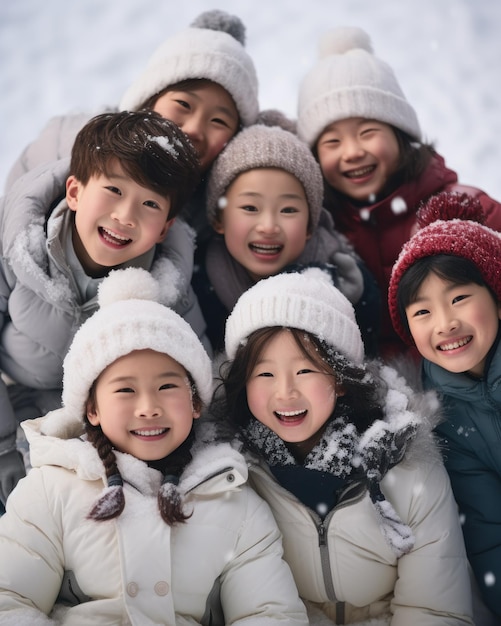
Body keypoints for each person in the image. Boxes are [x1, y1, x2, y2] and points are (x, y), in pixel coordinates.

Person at [0, 266, 308, 624]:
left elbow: (268, 613)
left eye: (167, 387)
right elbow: (10, 600)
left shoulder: (233, 500)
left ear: (195, 403)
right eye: (126, 390)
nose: (149, 408)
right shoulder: (52, 490)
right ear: (92, 408)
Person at [211, 266, 473, 624]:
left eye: (305, 371)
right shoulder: (235, 474)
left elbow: (434, 609)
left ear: (342, 380)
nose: (285, 392)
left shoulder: (407, 464)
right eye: (265, 374)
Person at [0, 109, 208, 512]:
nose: (125, 216)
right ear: (75, 192)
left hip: (106, 423)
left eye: (149, 203)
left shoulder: (167, 284)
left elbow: (196, 364)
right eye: (113, 190)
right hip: (16, 396)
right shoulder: (16, 252)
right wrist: (3, 446)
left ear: (164, 226)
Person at [296, 26, 501, 358]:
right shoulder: (319, 230)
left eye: (367, 132)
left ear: (401, 136)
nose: (351, 152)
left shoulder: (467, 210)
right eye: (332, 142)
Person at [4, 9, 259, 242]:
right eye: (183, 104)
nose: (194, 128)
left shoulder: (217, 211)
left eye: (219, 121)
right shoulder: (69, 144)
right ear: (148, 99)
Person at [388, 190, 501, 622]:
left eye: (459, 299)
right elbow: (489, 534)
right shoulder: (445, 416)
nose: (445, 323)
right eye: (422, 312)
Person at [193, 109, 380, 355]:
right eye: (250, 207)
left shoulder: (345, 278)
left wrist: (355, 300)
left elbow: (370, 352)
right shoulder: (199, 279)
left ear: (310, 226)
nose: (269, 226)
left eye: (288, 210)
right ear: (219, 220)